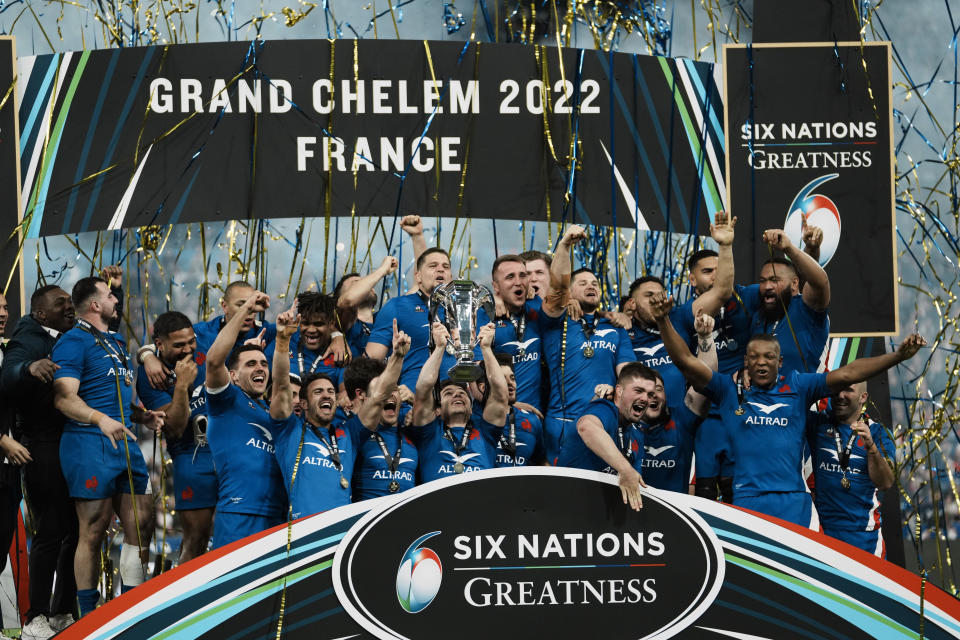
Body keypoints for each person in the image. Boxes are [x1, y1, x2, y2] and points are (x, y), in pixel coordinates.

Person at [652, 290, 925, 528]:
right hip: (749, 502)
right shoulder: (726, 390)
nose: (761, 362)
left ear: (780, 361)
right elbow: (686, 361)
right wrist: (664, 321)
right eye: (754, 357)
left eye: (769, 356)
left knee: (799, 586)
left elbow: (848, 373)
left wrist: (897, 356)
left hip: (797, 506)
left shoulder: (799, 386)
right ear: (745, 360)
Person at [51, 277, 163, 616]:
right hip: (89, 444)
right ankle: (88, 616)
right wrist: (100, 420)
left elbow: (115, 399)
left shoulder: (115, 342)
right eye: (110, 294)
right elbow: (63, 398)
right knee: (94, 529)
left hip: (124, 442)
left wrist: (142, 417)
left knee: (142, 525)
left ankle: (130, 611)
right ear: (95, 305)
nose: (117, 299)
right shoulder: (72, 342)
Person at [1, 285, 78, 637]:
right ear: (40, 313)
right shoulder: (28, 335)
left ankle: (62, 609)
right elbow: (10, 372)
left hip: (71, 441)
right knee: (50, 529)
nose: (70, 307)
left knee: (74, 529)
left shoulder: (68, 333)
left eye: (71, 301)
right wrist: (28, 369)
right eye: (61, 303)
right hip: (42, 444)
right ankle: (36, 616)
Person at [539, 225, 634, 464]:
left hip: (602, 419)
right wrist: (564, 246)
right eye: (582, 283)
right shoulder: (555, 322)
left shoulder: (614, 328)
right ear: (570, 292)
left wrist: (619, 391)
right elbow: (558, 287)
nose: (591, 286)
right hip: (561, 423)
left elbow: (627, 372)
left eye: (594, 283)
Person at [204, 290, 286, 548]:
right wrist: (248, 308)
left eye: (263, 363)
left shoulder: (273, 413)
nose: (260, 367)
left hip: (278, 517)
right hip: (239, 514)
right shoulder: (226, 401)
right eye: (250, 364)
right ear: (234, 376)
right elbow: (214, 359)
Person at [135, 311, 213, 564]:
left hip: (229, 452)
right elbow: (176, 427)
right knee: (196, 538)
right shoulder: (150, 378)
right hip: (190, 456)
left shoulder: (203, 339)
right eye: (179, 345)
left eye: (191, 341)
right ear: (160, 344)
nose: (188, 348)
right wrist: (181, 386)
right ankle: (190, 602)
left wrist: (144, 352)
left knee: (232, 536)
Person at [138, 280, 287, 388]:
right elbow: (163, 345)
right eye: (241, 305)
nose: (248, 312)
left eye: (251, 305)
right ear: (224, 306)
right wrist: (148, 356)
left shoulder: (266, 331)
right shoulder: (203, 332)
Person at [410, 322, 508, 481]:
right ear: (437, 410)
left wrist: (486, 349)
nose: (457, 395)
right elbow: (423, 389)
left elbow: (500, 395)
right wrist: (440, 347)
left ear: (471, 409)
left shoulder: (486, 432)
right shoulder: (429, 434)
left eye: (463, 393)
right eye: (448, 393)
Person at [808, 382, 895, 556]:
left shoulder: (879, 433)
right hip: (823, 535)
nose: (840, 395)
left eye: (848, 390)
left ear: (863, 397)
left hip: (865, 539)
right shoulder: (817, 423)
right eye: (837, 388)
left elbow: (886, 482)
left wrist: (871, 447)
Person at [637, 311, 715, 494]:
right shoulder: (623, 423)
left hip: (673, 517)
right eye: (645, 391)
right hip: (631, 516)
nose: (653, 395)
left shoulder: (682, 418)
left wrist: (705, 338)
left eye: (658, 389)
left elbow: (706, 382)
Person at [366, 247, 457, 394]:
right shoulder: (397, 307)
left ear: (451, 276)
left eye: (445, 267)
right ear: (418, 277)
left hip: (455, 403)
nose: (440, 270)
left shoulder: (464, 311)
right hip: (412, 402)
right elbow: (370, 363)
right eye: (433, 266)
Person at [568, 363, 652, 511]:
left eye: (649, 394)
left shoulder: (637, 434)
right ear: (619, 391)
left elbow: (635, 484)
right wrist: (626, 469)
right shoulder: (604, 409)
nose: (645, 398)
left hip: (602, 516)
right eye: (638, 391)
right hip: (570, 507)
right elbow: (586, 427)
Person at [345, 329, 418, 500]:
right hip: (369, 522)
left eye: (394, 390)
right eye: (385, 391)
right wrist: (397, 357)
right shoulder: (356, 434)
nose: (389, 395)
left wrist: (415, 403)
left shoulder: (412, 431)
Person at [751, 223, 831, 376]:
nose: (767, 286)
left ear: (795, 284)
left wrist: (789, 249)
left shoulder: (806, 311)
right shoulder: (758, 315)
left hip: (799, 398)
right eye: (762, 280)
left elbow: (819, 283)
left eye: (774, 280)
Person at [477, 255, 544, 411]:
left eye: (522, 275)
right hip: (498, 416)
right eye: (510, 277)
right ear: (496, 287)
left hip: (535, 418)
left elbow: (561, 300)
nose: (518, 282)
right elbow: (475, 376)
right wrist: (509, 405)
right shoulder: (484, 316)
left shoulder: (536, 305)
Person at [476, 354, 545, 468]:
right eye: (502, 379)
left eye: (512, 378)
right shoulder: (473, 421)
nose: (510, 383)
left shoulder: (532, 420)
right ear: (483, 388)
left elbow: (541, 462)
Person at [335, 256, 399, 359]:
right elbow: (347, 301)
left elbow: (417, 290)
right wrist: (383, 270)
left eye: (367, 282)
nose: (367, 286)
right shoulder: (342, 323)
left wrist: (417, 239)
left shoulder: (386, 318)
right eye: (357, 283)